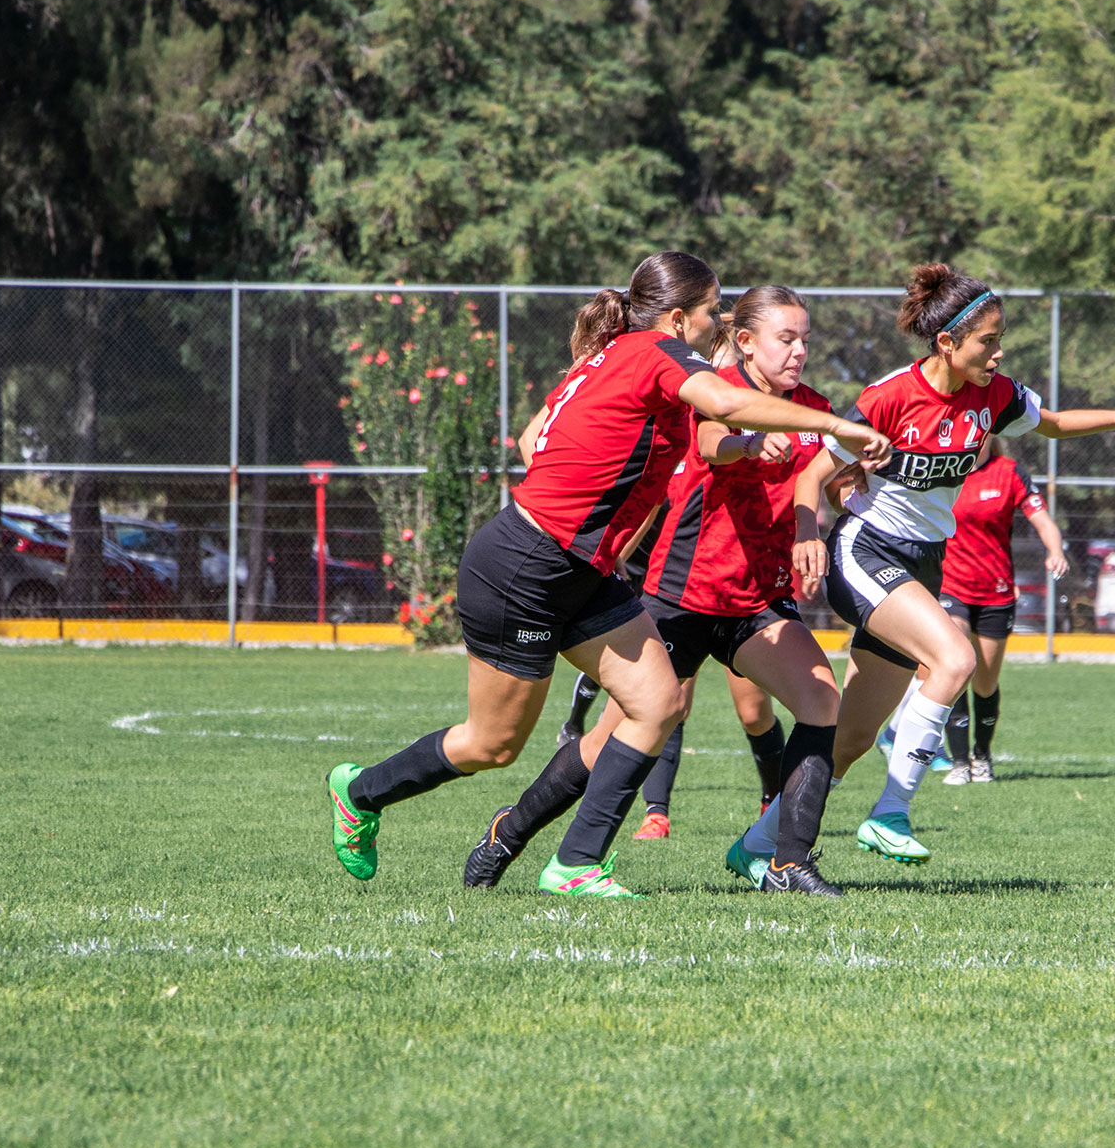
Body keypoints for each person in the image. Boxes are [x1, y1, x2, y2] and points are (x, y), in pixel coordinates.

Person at [326, 254, 886, 898]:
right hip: (529, 566)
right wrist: (837, 425)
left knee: (656, 705)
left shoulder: (620, 358)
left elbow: (535, 440)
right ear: (679, 319)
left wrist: (606, 507)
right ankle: (361, 791)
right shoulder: (655, 353)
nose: (718, 325)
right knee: (492, 744)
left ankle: (575, 864)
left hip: (586, 568)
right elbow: (725, 411)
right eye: (712, 313)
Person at [730, 262, 1115, 871]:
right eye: (988, 340)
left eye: (999, 338)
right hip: (864, 552)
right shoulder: (888, 397)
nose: (998, 350)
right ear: (947, 343)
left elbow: (1057, 424)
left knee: (851, 740)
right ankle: (889, 814)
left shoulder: (998, 395)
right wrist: (807, 532)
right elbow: (813, 473)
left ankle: (753, 844)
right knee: (956, 657)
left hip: (921, 563)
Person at [465, 284, 864, 896]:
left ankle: (788, 862)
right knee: (607, 740)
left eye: (805, 340)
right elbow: (713, 442)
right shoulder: (709, 390)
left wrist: (843, 495)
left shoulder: (810, 406)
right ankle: (509, 834)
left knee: (820, 701)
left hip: (755, 600)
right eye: (787, 339)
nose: (799, 352)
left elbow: (820, 481)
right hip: (681, 595)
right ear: (748, 343)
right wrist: (749, 442)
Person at [553, 504, 790, 840]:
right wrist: (611, 558)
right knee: (668, 705)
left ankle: (773, 802)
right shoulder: (679, 463)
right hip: (684, 599)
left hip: (741, 600)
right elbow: (643, 511)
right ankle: (656, 815)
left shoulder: (752, 465)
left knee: (754, 713)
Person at [933, 438, 1066, 782]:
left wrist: (1055, 551)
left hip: (995, 592)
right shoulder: (944, 470)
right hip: (951, 588)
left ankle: (982, 755)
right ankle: (960, 762)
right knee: (957, 666)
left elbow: (1042, 519)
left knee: (985, 683)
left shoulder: (1009, 473)